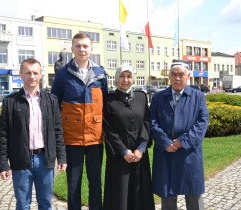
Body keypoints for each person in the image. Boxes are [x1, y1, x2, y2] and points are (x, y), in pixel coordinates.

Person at [0, 58, 67, 210]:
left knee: (46, 204)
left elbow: (57, 130)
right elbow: (3, 135)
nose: (32, 76)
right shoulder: (10, 102)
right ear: (21, 74)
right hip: (21, 160)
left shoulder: (51, 100)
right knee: (22, 205)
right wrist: (3, 164)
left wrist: (61, 156)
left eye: (35, 72)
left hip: (45, 160)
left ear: (41, 74)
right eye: (28, 73)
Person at [51, 32, 107, 210]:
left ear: (92, 49)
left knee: (95, 182)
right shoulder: (62, 73)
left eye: (85, 46)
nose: (82, 49)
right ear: (72, 48)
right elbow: (54, 103)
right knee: (73, 183)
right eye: (78, 46)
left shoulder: (100, 73)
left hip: (95, 138)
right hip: (72, 138)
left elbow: (105, 102)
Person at [150, 60, 209, 210]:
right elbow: (152, 121)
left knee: (193, 196)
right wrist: (165, 142)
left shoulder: (198, 96)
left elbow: (202, 122)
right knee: (168, 196)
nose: (177, 78)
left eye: (181, 75)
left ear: (188, 76)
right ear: (169, 77)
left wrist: (183, 141)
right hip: (166, 153)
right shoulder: (158, 97)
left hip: (189, 153)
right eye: (174, 75)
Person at [103, 65, 155, 210]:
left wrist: (141, 148)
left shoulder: (141, 96)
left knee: (141, 191)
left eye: (129, 76)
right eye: (122, 76)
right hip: (118, 154)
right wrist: (124, 151)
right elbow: (108, 129)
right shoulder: (108, 100)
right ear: (116, 78)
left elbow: (146, 123)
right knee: (120, 192)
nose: (125, 80)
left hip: (139, 152)